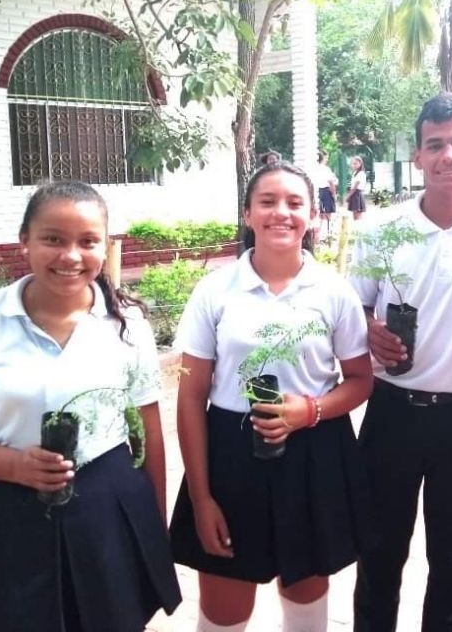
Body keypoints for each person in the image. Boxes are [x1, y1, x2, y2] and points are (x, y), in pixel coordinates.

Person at [0, 180, 181, 632]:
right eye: (53, 239)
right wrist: (15, 466)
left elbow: (147, 430)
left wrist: (153, 522)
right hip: (11, 509)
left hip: (108, 506)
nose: (70, 256)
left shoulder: (125, 325)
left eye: (87, 241)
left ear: (104, 245)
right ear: (25, 242)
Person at [169, 160, 375, 632]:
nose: (281, 213)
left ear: (312, 217)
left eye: (294, 203)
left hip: (313, 453)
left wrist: (312, 410)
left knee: (306, 596)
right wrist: (202, 497)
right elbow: (191, 396)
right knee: (224, 607)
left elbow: (361, 379)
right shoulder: (216, 290)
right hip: (231, 456)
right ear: (247, 214)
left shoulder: (332, 290)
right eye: (267, 201)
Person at [351, 92, 452, 632]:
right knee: (380, 551)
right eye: (435, 145)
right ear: (418, 155)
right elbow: (354, 310)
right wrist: (369, 331)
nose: (448, 156)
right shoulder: (383, 230)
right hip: (393, 412)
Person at [314, 150, 339, 240]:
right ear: (323, 158)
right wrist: (334, 194)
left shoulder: (314, 168)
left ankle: (319, 233)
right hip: (326, 191)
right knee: (328, 213)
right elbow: (331, 182)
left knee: (320, 212)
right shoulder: (325, 169)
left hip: (317, 191)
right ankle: (328, 233)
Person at [346, 155, 367, 220]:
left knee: (357, 216)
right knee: (355, 216)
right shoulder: (355, 173)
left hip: (357, 194)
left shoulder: (361, 173)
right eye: (353, 164)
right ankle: (357, 229)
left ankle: (359, 229)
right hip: (355, 194)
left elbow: (355, 187)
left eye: (356, 164)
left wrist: (348, 196)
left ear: (360, 164)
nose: (354, 165)